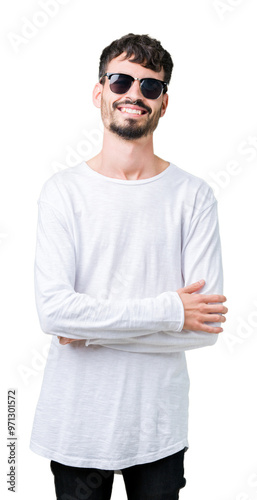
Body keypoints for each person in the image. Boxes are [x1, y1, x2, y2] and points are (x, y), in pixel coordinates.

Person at [30, 33, 228, 500]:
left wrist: (90, 328)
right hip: (76, 426)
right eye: (121, 81)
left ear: (163, 103)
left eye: (150, 86)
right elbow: (54, 315)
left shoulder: (194, 196)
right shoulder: (62, 193)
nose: (134, 94)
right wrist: (170, 311)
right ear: (100, 92)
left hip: (156, 429)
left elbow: (204, 328)